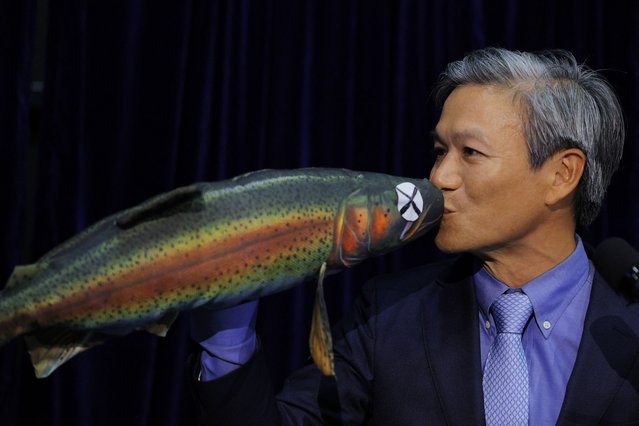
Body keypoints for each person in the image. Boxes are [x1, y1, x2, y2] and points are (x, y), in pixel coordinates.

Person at [188, 47, 639, 425]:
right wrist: (226, 333)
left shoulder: (631, 323)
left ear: (562, 174)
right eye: (440, 151)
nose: (438, 177)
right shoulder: (388, 314)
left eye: (470, 153)